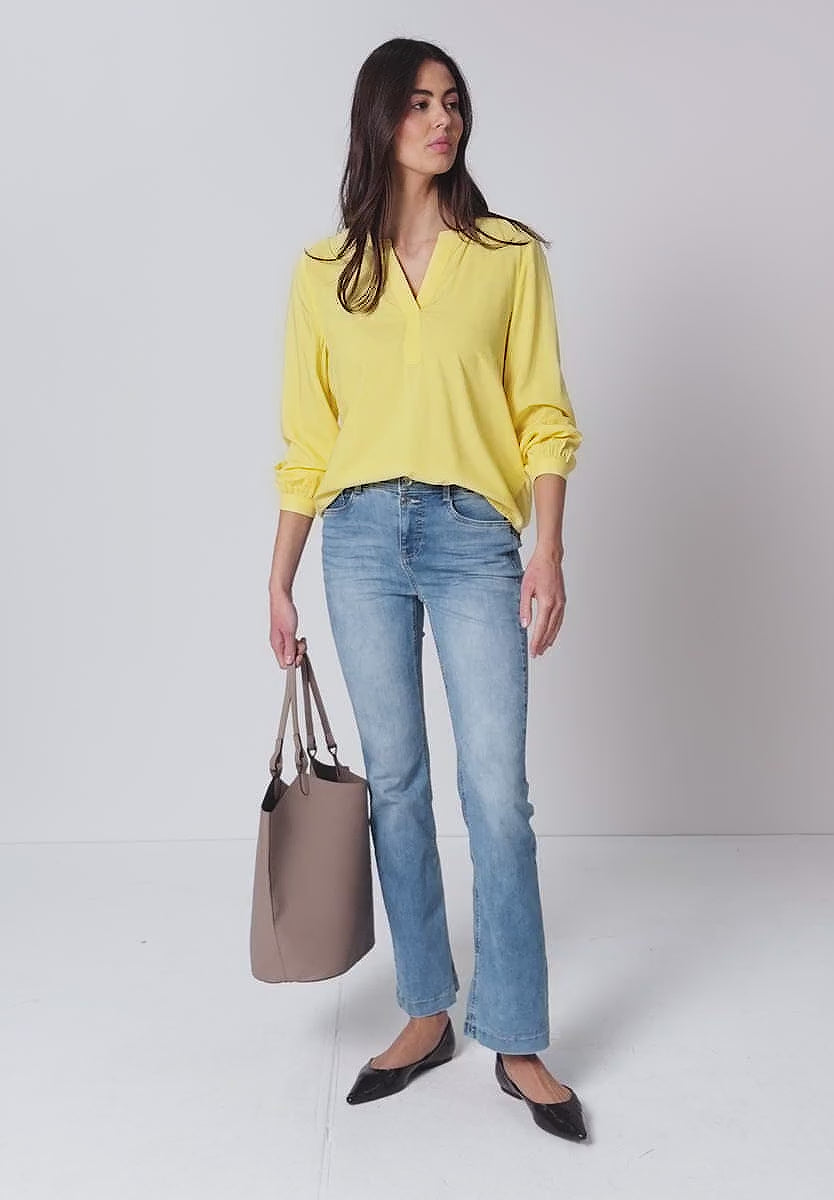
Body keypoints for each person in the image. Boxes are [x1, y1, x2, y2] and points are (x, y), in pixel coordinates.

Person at [267, 37, 587, 1143]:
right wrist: (279, 579)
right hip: (356, 542)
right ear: (380, 120)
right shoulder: (324, 272)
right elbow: (308, 443)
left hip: (472, 536)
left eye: (452, 102)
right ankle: (423, 1011)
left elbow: (544, 413)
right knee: (395, 785)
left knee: (496, 794)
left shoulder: (507, 256)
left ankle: (517, 1033)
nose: (441, 119)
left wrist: (548, 550)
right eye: (417, 103)